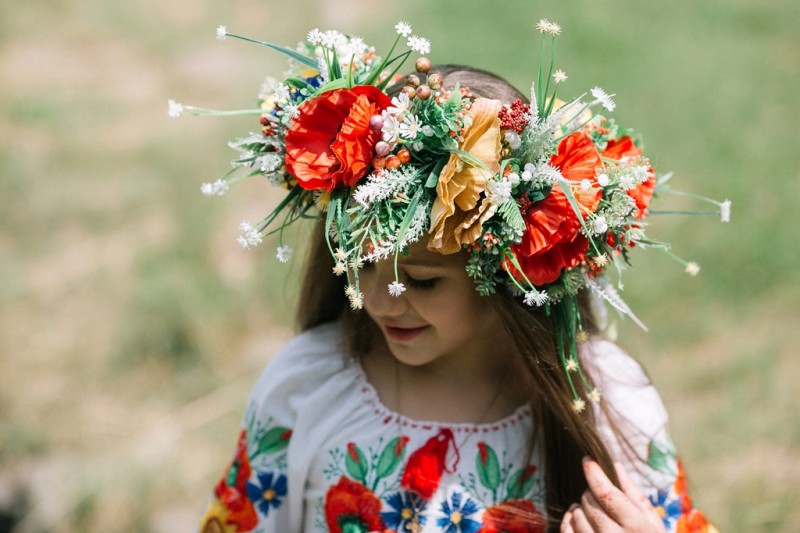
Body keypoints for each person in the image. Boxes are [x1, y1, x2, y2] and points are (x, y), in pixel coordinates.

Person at [186, 21, 723, 533]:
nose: (378, 299)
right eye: (358, 263)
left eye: (419, 281)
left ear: (511, 270)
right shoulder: (309, 388)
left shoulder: (607, 401)